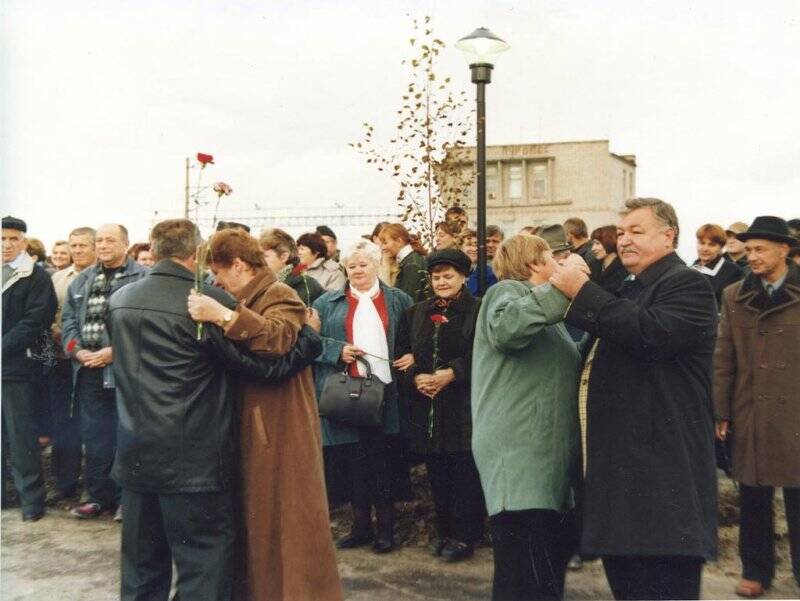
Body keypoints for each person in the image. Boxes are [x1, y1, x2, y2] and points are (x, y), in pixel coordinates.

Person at [109, 218, 321, 601]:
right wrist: (309, 340)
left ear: (153, 252)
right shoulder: (208, 303)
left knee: (141, 568)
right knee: (203, 566)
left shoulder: (119, 300)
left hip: (135, 455)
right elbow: (264, 367)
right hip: (194, 463)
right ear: (195, 254)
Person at [550, 198, 718, 600]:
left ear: (669, 236)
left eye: (636, 232)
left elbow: (651, 334)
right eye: (621, 232)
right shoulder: (633, 287)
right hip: (627, 486)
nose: (624, 240)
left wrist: (582, 291)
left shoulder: (687, 283)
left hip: (662, 483)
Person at [186, 229, 343, 601]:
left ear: (239, 265)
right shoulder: (254, 295)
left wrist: (223, 315)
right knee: (267, 525)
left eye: (220, 273)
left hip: (278, 428)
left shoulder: (279, 294)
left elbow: (278, 340)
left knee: (288, 523)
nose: (216, 281)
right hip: (262, 426)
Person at [472, 234, 583, 600]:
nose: (557, 262)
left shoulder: (547, 317)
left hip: (542, 457)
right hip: (519, 456)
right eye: (552, 256)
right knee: (522, 571)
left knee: (543, 564)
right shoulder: (506, 292)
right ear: (534, 264)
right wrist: (561, 290)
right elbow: (507, 329)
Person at [714, 216, 800, 597]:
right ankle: (756, 571)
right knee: (753, 493)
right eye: (748, 249)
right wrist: (722, 411)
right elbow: (723, 357)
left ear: (785, 250)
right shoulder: (734, 295)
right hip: (752, 409)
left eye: (760, 248)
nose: (752, 256)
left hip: (796, 411)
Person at [312, 240, 413, 554]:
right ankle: (360, 528)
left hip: (386, 395)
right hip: (346, 395)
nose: (357, 270)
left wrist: (411, 356)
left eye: (363, 264)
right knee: (352, 463)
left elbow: (414, 335)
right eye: (351, 265)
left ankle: (386, 530)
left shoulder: (399, 299)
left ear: (376, 264)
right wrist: (336, 350)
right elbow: (311, 341)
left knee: (383, 465)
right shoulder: (327, 302)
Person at [395, 249, 485, 562]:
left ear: (463, 277)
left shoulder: (478, 311)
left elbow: (484, 355)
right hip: (428, 406)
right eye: (436, 277)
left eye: (448, 276)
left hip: (462, 406)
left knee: (463, 471)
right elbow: (401, 355)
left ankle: (465, 536)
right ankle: (445, 530)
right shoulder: (415, 313)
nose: (442, 282)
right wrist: (416, 377)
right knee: (438, 472)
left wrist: (452, 373)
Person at [61, 223, 148, 519]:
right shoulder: (82, 280)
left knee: (127, 434)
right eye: (99, 240)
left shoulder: (143, 278)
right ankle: (98, 497)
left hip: (126, 372)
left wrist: (115, 352)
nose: (103, 245)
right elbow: (69, 323)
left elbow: (146, 327)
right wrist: (77, 351)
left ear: (126, 243)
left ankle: (127, 500)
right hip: (88, 372)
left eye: (110, 240)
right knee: (95, 437)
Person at [2, 216, 58, 522]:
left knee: (21, 437)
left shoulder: (35, 276)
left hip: (17, 369)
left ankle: (32, 502)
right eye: (2, 239)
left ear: (24, 242)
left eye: (13, 239)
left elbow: (35, 320)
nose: (6, 245)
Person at [47, 227, 97, 503]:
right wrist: (63, 339)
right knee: (64, 423)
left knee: (94, 425)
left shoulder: (101, 277)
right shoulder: (58, 278)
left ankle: (94, 486)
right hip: (63, 360)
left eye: (83, 246)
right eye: (73, 246)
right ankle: (65, 483)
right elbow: (53, 315)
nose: (77, 251)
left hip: (94, 362)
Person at [259, 228, 324, 306]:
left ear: (283, 257)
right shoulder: (265, 282)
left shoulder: (306, 286)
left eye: (265, 256)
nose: (259, 260)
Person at [692, 223, 744, 306]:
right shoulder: (689, 270)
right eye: (702, 243)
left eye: (712, 245)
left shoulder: (734, 272)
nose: (705, 249)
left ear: (721, 247)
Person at [379, 223, 428, 301]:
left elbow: (407, 300)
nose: (383, 247)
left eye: (385, 243)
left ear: (399, 241)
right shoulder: (411, 260)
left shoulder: (411, 265)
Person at [589, 225, 627, 293]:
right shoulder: (593, 265)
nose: (593, 248)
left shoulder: (624, 268)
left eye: (597, 243)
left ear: (609, 243)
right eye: (593, 244)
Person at [460, 228, 497, 296]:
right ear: (460, 247)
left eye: (477, 245)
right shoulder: (453, 270)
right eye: (469, 244)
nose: (475, 249)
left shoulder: (489, 273)